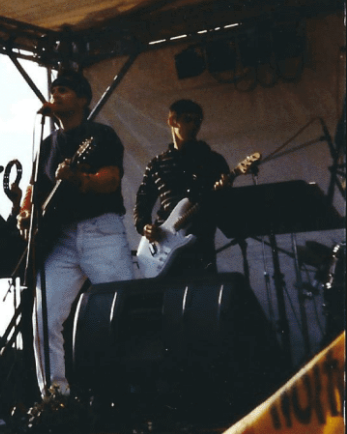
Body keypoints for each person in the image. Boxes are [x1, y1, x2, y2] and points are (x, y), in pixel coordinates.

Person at [20, 69, 134, 396]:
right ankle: (54, 397)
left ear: (83, 100)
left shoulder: (100, 135)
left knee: (125, 310)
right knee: (44, 319)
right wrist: (25, 212)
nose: (55, 94)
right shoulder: (46, 145)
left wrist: (80, 179)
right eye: (53, 89)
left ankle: (133, 391)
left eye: (64, 90)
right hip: (61, 238)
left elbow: (110, 179)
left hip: (101, 231)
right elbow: (35, 189)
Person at [134, 98, 231, 275]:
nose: (194, 126)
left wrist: (224, 191)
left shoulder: (212, 160)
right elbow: (142, 201)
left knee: (204, 288)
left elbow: (226, 205)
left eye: (197, 121)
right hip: (163, 242)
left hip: (201, 242)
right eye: (188, 119)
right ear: (172, 121)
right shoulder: (157, 164)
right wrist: (145, 227)